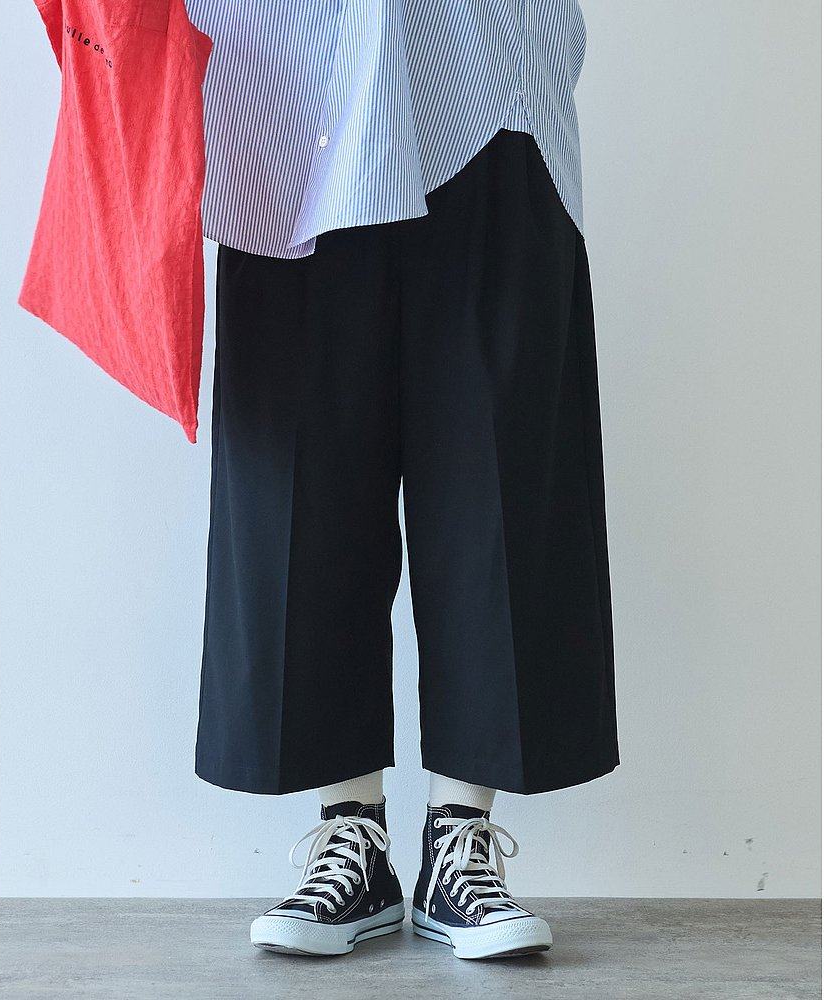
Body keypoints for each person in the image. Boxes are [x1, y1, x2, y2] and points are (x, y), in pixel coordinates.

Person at [186, 0, 619, 958]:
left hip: (489, 83)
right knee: (299, 476)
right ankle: (351, 838)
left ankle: (463, 838)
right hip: (287, 92)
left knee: (498, 480)